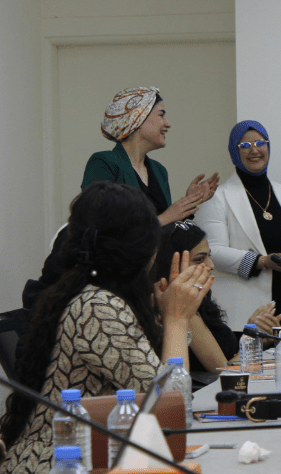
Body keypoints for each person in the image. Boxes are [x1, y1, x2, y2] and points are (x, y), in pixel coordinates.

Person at [0, 182, 211, 473]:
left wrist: (166, 316)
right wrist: (178, 319)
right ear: (141, 249)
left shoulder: (88, 294)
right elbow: (169, 413)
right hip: (60, 466)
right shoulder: (97, 307)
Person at [196, 120, 281, 325]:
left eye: (260, 143)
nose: (255, 150)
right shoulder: (218, 196)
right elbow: (212, 250)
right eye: (245, 146)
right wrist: (262, 261)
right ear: (234, 151)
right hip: (238, 312)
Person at [152, 220, 281, 373]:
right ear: (172, 263)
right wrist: (252, 341)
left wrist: (256, 337)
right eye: (200, 259)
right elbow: (223, 371)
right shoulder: (178, 308)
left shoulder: (198, 300)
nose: (211, 265)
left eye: (209, 256)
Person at [81, 86, 219, 224]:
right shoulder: (103, 163)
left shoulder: (159, 170)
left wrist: (189, 201)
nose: (168, 123)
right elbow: (99, 225)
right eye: (161, 115)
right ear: (138, 118)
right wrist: (168, 216)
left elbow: (165, 228)